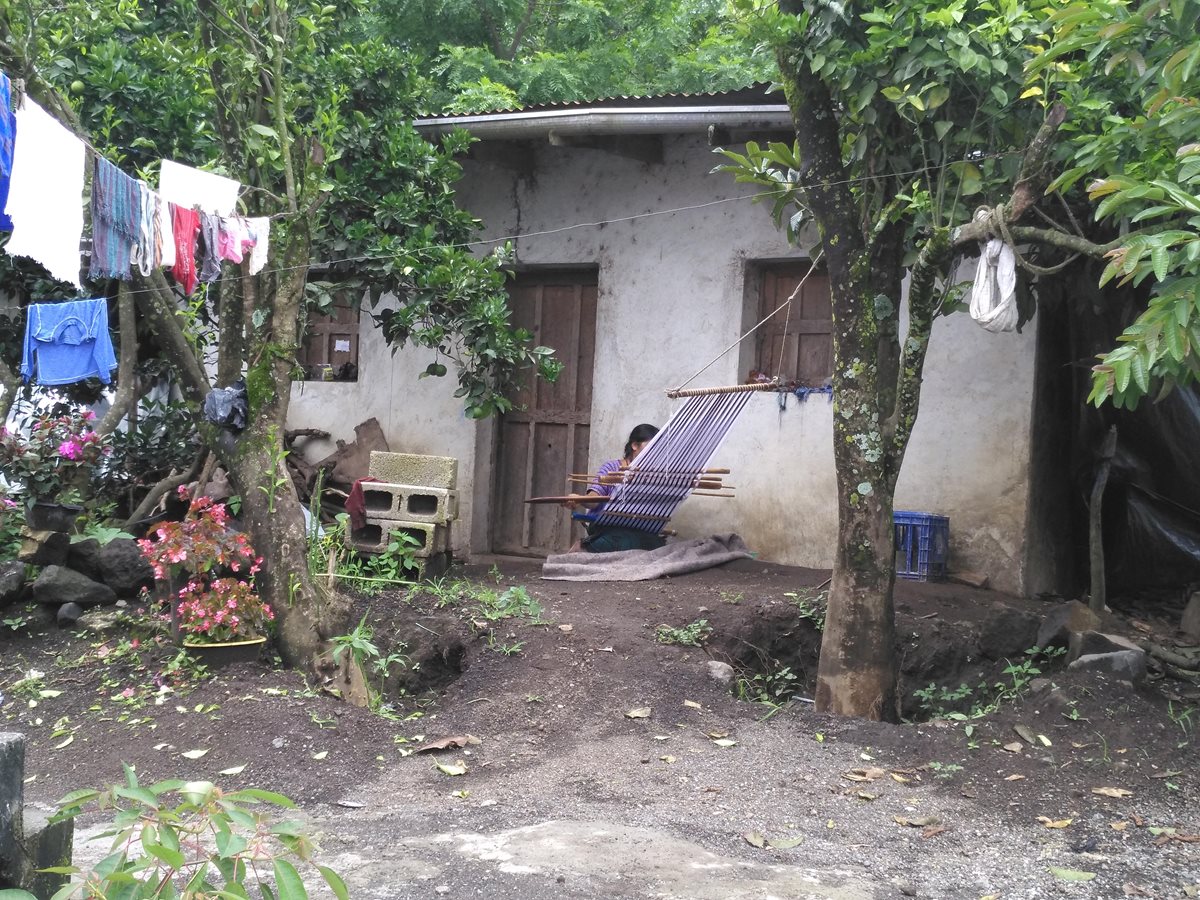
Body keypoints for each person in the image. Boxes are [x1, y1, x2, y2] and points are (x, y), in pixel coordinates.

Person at [565, 423, 665, 553]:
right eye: (649, 447)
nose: (652, 453)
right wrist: (579, 499)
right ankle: (584, 546)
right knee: (621, 541)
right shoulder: (611, 468)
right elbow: (594, 499)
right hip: (607, 527)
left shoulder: (653, 475)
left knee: (656, 544)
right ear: (634, 445)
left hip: (638, 528)